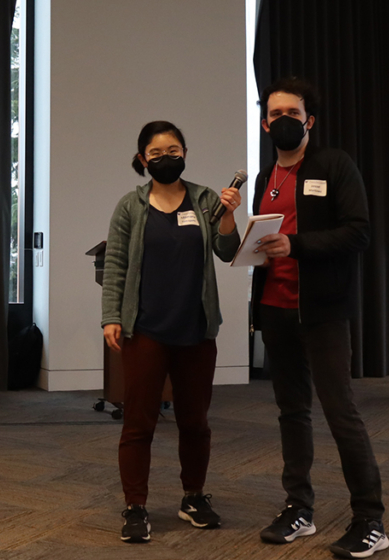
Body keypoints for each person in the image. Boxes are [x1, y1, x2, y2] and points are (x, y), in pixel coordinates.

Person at [252, 77, 388, 558]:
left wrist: (298, 245)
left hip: (323, 311)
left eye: (292, 112)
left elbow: (359, 232)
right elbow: (263, 243)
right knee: (292, 411)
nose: (282, 120)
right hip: (276, 309)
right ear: (264, 121)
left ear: (309, 120)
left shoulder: (333, 165)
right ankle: (299, 509)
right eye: (273, 113)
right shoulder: (267, 178)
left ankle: (370, 519)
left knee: (340, 412)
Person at [102, 121, 241, 543]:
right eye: (156, 153)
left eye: (174, 150)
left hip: (196, 331)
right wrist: (111, 315)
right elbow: (116, 265)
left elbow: (227, 251)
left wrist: (230, 215)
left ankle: (193, 498)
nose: (166, 158)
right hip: (145, 329)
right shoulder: (131, 206)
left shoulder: (204, 199)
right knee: (138, 422)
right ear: (143, 159)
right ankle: (135, 507)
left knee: (195, 422)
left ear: (186, 152)